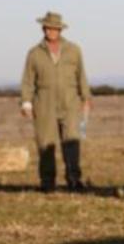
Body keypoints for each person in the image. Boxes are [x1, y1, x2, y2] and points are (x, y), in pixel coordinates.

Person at [20, 11, 92, 191]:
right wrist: (26, 102)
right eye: (48, 27)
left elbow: (81, 75)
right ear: (43, 28)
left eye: (54, 28)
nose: (51, 31)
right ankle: (47, 182)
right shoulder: (34, 53)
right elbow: (27, 80)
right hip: (44, 103)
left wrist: (86, 97)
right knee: (45, 143)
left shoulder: (74, 50)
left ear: (60, 30)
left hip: (70, 102)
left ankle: (74, 180)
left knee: (72, 142)